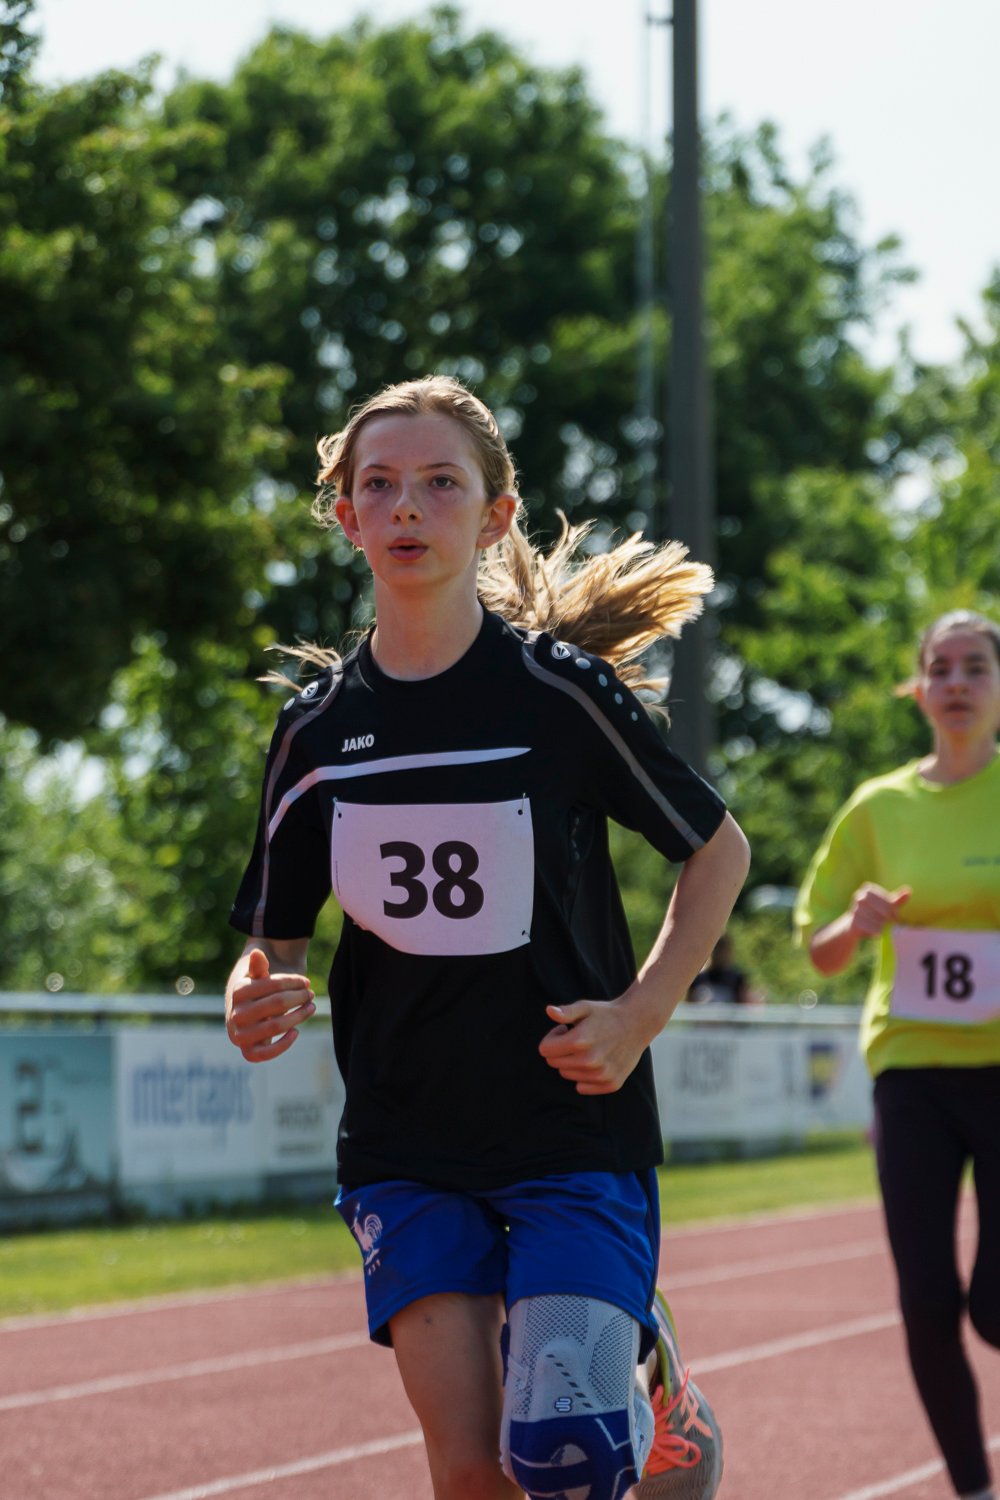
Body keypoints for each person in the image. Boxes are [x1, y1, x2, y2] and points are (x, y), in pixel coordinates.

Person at [225, 375, 750, 1500]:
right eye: (379, 486)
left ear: (496, 514)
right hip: (405, 1134)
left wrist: (641, 1013)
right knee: (472, 1472)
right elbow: (275, 935)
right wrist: (254, 989)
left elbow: (719, 851)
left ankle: (649, 1373)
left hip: (569, 1123)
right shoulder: (316, 729)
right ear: (346, 517)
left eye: (439, 483)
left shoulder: (557, 695)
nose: (407, 507)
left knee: (565, 1458)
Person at [796, 609, 1000, 1500]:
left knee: (994, 1310)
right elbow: (819, 949)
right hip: (911, 1074)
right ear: (918, 689)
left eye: (976, 667)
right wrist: (857, 923)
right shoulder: (877, 807)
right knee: (926, 1300)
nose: (957, 683)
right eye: (941, 668)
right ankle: (972, 1488)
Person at [685, 934, 759, 1005]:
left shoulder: (737, 978)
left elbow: (743, 1005)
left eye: (722, 949)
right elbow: (689, 1006)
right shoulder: (697, 978)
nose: (719, 953)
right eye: (717, 948)